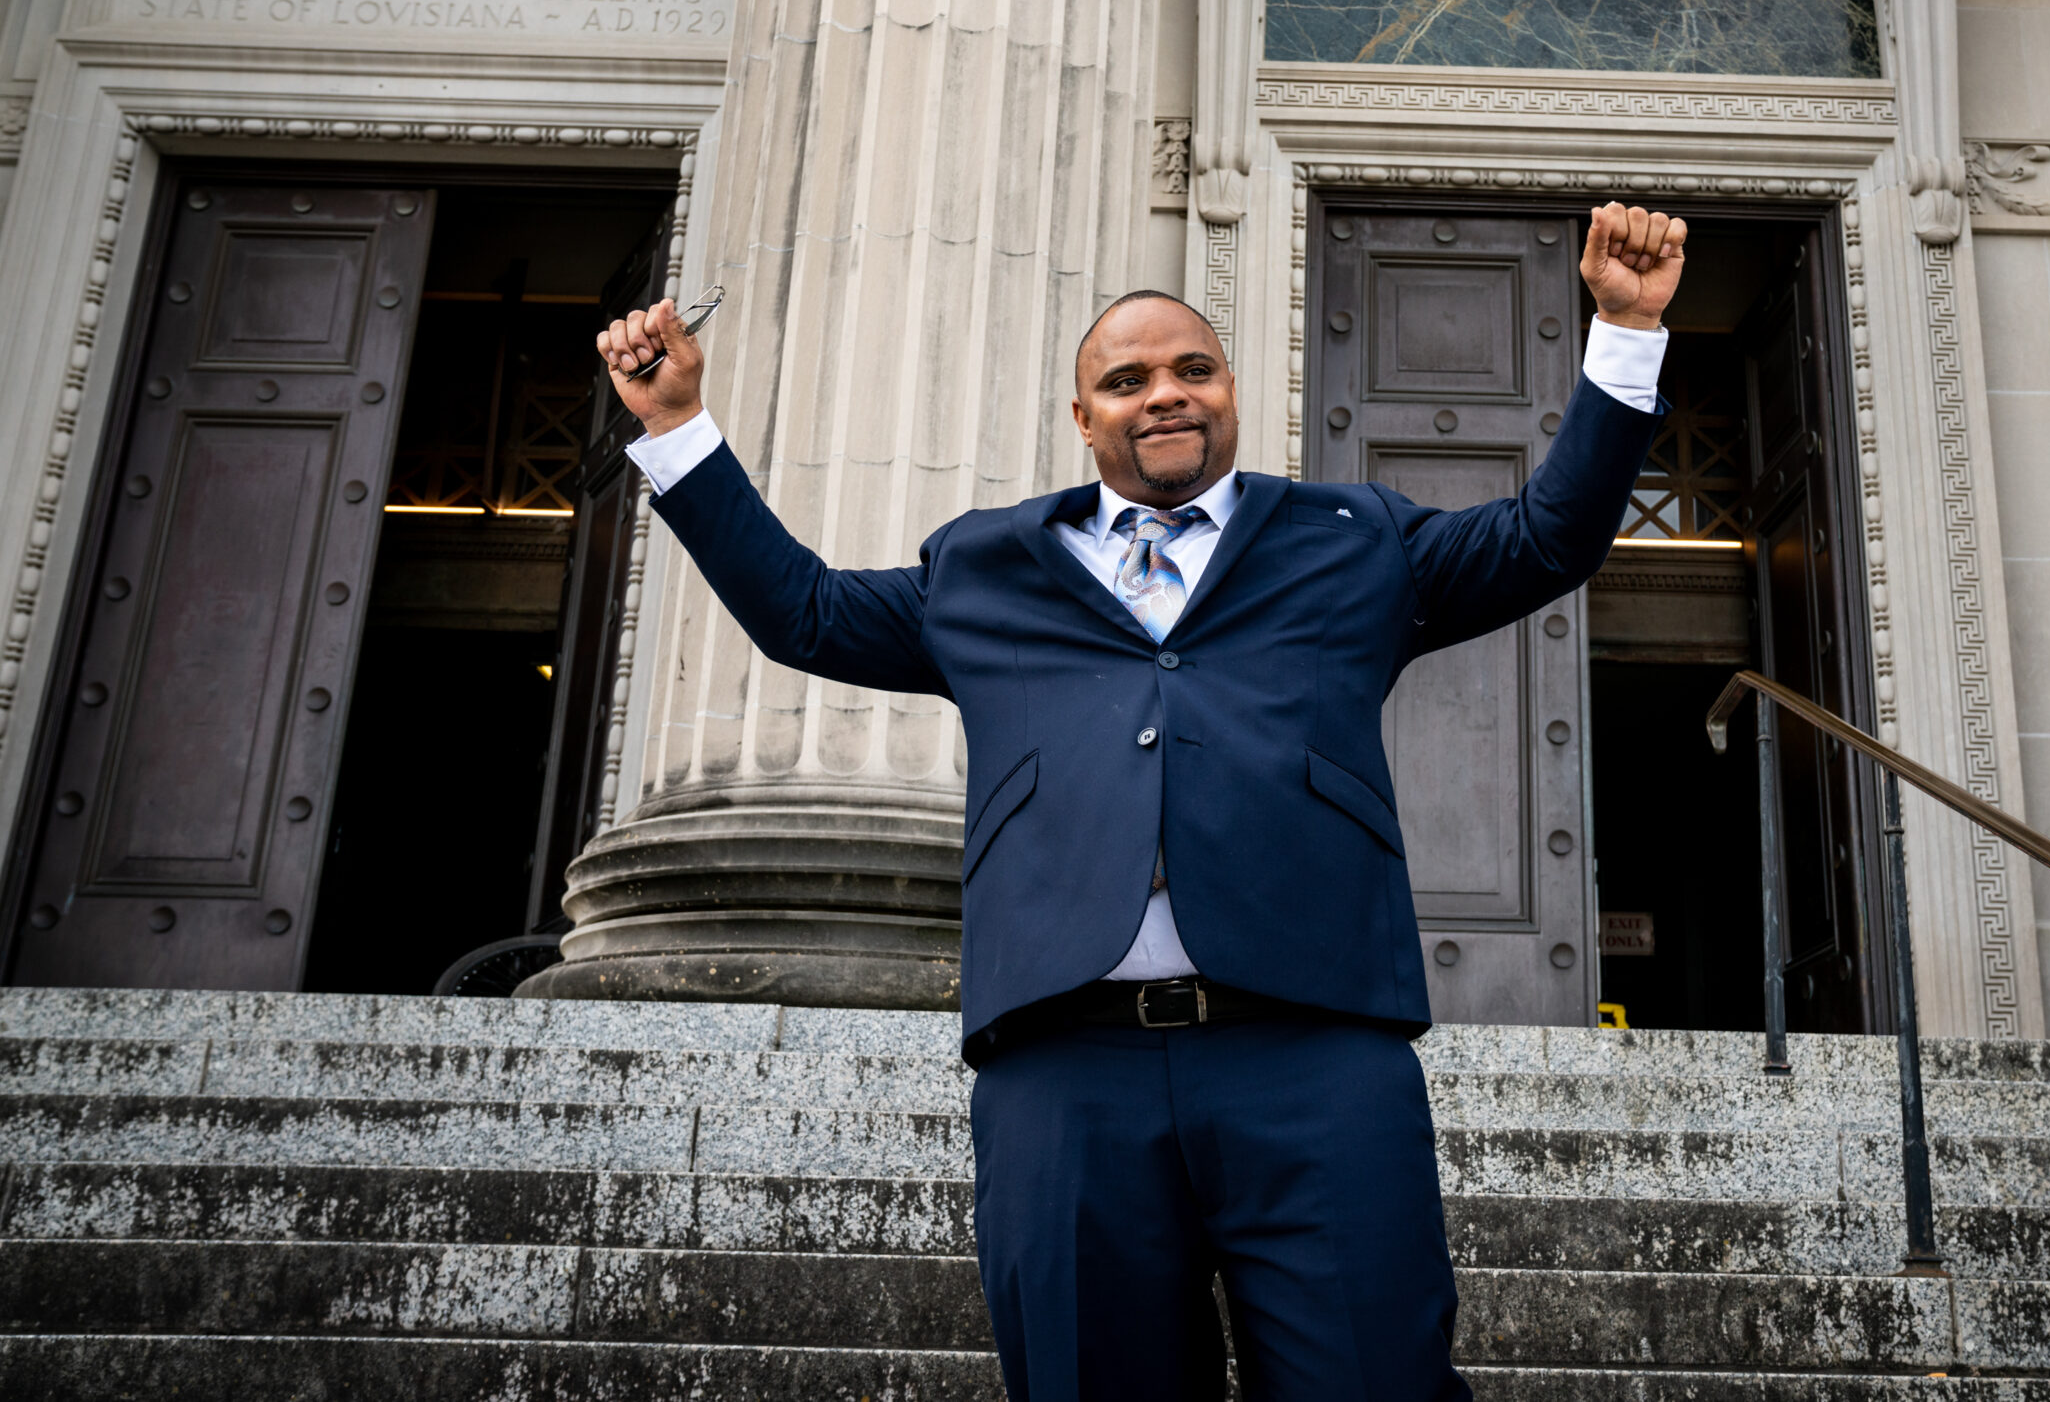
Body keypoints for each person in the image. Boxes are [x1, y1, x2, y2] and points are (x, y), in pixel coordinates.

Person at [596, 203, 1688, 1400]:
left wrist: (1623, 331)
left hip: (1314, 1051)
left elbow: (1545, 539)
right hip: (1066, 1071)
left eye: (1191, 370)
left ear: (1230, 392)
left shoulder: (1355, 539)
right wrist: (677, 428)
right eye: (1127, 379)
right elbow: (801, 611)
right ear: (1084, 418)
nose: (1162, 393)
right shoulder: (984, 566)